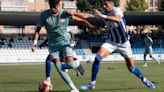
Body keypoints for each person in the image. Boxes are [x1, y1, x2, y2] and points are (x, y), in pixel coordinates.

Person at [67, 0, 156, 90]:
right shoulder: (104, 12)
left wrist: (101, 16)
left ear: (112, 4)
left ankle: (144, 79)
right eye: (103, 4)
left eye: (106, 4)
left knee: (132, 68)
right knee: (97, 58)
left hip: (124, 44)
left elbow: (117, 19)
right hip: (111, 42)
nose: (104, 6)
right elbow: (87, 15)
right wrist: (73, 12)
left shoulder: (117, 10)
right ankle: (92, 83)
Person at [31, 0, 97, 92]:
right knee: (59, 67)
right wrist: (34, 44)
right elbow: (37, 30)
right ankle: (74, 89)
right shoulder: (44, 15)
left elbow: (82, 19)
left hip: (65, 43)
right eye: (60, 5)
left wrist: (91, 26)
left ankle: (76, 64)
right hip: (53, 46)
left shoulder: (64, 13)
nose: (62, 6)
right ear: (55, 6)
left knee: (69, 63)